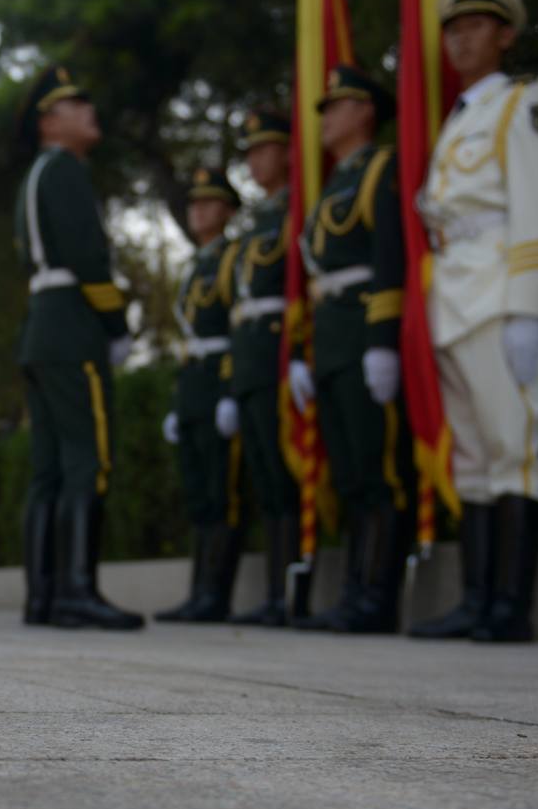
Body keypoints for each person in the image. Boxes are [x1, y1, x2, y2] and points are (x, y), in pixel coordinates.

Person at [409, 0, 538, 643]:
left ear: (503, 35)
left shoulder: (524, 105)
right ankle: (476, 602)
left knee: (516, 451)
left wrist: (530, 308)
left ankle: (511, 607)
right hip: (453, 297)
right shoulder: (460, 120)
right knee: (472, 457)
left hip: (502, 297)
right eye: (452, 28)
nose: (459, 39)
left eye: (474, 26)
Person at [14, 64, 142, 630]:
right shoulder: (64, 169)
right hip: (73, 328)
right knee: (88, 462)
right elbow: (89, 258)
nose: (90, 113)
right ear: (50, 121)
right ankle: (76, 591)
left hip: (43, 328)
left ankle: (44, 596)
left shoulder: (36, 175)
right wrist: (116, 326)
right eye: (75, 105)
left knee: (50, 470)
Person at [289, 66, 415, 634]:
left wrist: (382, 340)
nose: (326, 118)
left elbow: (390, 256)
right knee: (350, 476)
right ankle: (354, 595)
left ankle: (378, 599)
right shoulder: (333, 186)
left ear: (365, 111)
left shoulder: (380, 168)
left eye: (336, 106)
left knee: (380, 470)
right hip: (334, 342)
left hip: (365, 332)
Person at [216, 111, 308, 626]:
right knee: (267, 480)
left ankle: (293, 591)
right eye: (249, 151)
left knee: (287, 471)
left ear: (288, 153)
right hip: (251, 357)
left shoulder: (296, 208)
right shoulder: (258, 220)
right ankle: (277, 592)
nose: (254, 159)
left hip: (277, 351)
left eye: (264, 149)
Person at [156, 168, 245, 623]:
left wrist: (230, 390)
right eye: (194, 204)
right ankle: (199, 592)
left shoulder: (233, 257)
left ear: (228, 211)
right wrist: (178, 401)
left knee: (221, 489)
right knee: (198, 494)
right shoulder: (196, 264)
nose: (199, 211)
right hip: (193, 385)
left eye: (209, 203)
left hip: (218, 381)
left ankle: (217, 594)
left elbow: (238, 328)